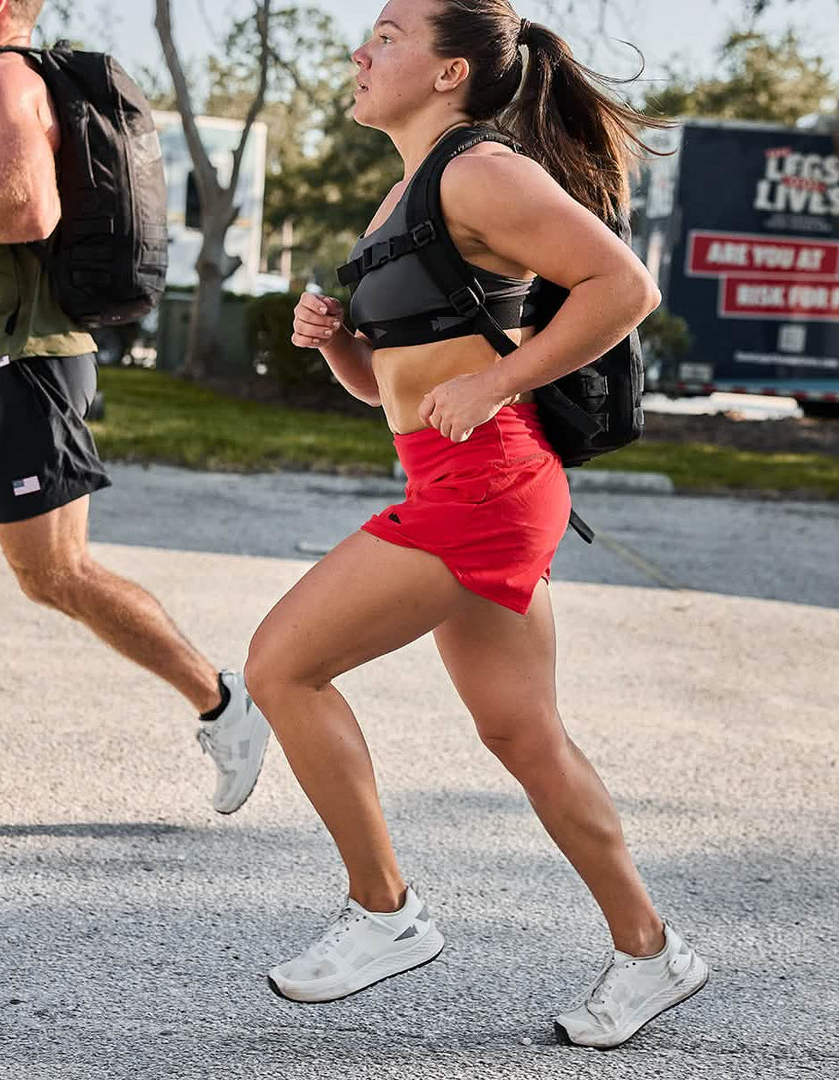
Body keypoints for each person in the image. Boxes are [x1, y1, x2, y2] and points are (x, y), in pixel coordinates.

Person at [244, 0, 708, 1050]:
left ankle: (384, 911)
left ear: (452, 71)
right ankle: (652, 951)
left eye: (391, 34)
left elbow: (622, 287)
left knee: (279, 667)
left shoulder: (479, 171)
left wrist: (505, 379)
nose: (364, 50)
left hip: (484, 488)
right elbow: (403, 389)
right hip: (466, 479)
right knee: (524, 735)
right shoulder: (408, 189)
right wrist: (340, 354)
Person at [0, 0, 268, 817]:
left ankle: (227, 705)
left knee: (55, 573)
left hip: (32, 363)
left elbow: (30, 208)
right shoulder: (0, 80)